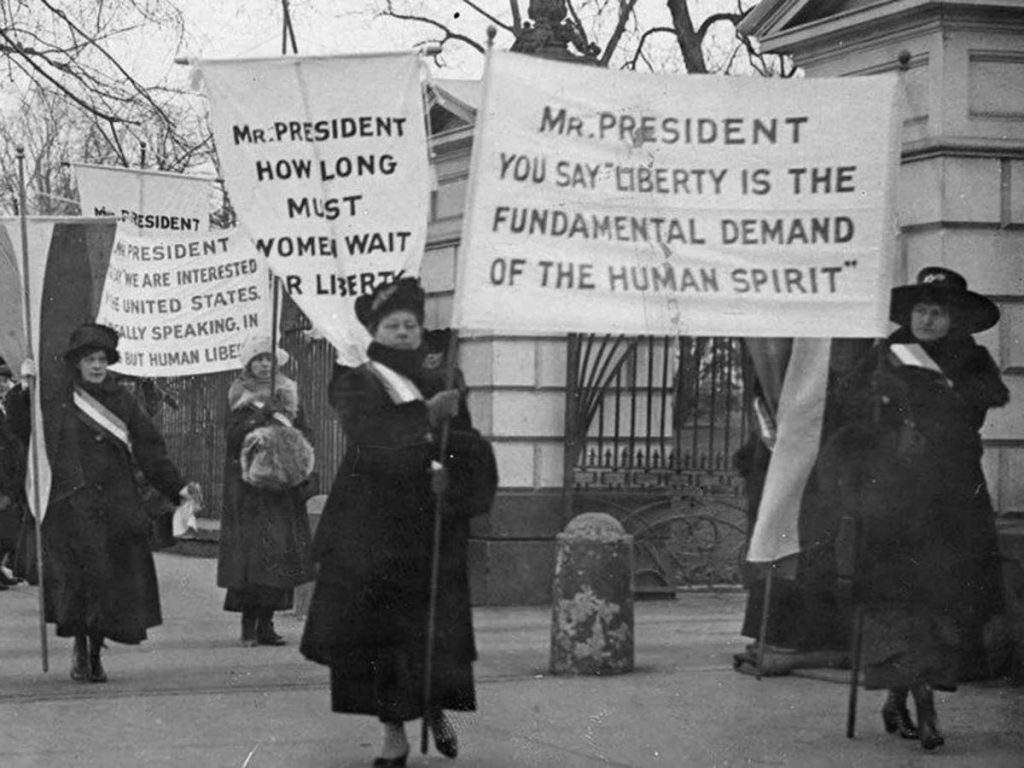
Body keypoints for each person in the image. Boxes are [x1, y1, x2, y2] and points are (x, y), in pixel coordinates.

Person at [300, 278, 497, 767]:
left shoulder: (446, 374)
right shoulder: (356, 380)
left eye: (411, 324)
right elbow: (371, 440)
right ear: (376, 331)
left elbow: (468, 445)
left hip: (432, 528)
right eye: (394, 325)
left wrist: (452, 474)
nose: (405, 331)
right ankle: (393, 735)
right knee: (382, 641)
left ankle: (435, 712)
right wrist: (427, 417)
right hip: (375, 532)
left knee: (433, 635)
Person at [820, 266, 1008, 750]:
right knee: (899, 600)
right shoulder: (885, 354)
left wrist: (936, 395)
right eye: (921, 309)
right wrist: (875, 403)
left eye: (938, 311)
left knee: (941, 599)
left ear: (954, 318)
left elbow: (982, 403)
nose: (927, 318)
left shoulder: (972, 360)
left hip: (949, 498)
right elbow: (849, 408)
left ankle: (907, 699)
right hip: (894, 500)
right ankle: (919, 706)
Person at [7, 323, 199, 682]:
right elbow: (22, 430)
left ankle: (94, 652)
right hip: (71, 508)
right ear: (76, 363)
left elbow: (150, 450)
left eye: (102, 360)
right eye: (89, 359)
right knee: (79, 585)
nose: (97, 366)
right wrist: (22, 390)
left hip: (115, 506)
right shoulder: (55, 397)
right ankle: (82, 649)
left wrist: (178, 488)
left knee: (107, 585)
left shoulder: (123, 401)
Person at [217, 337, 314, 646]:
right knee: (251, 558)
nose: (264, 364)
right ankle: (249, 623)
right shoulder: (238, 396)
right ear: (248, 364)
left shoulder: (289, 395)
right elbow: (232, 438)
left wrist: (305, 470)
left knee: (277, 557)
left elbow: (304, 435)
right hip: (249, 490)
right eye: (258, 359)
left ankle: (267, 623)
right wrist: (260, 415)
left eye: (268, 359)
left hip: (281, 490)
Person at [0, 358, 26, 588]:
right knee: (8, 532)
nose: (3, 384)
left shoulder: (6, 405)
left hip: (12, 472)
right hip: (3, 477)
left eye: (5, 380)